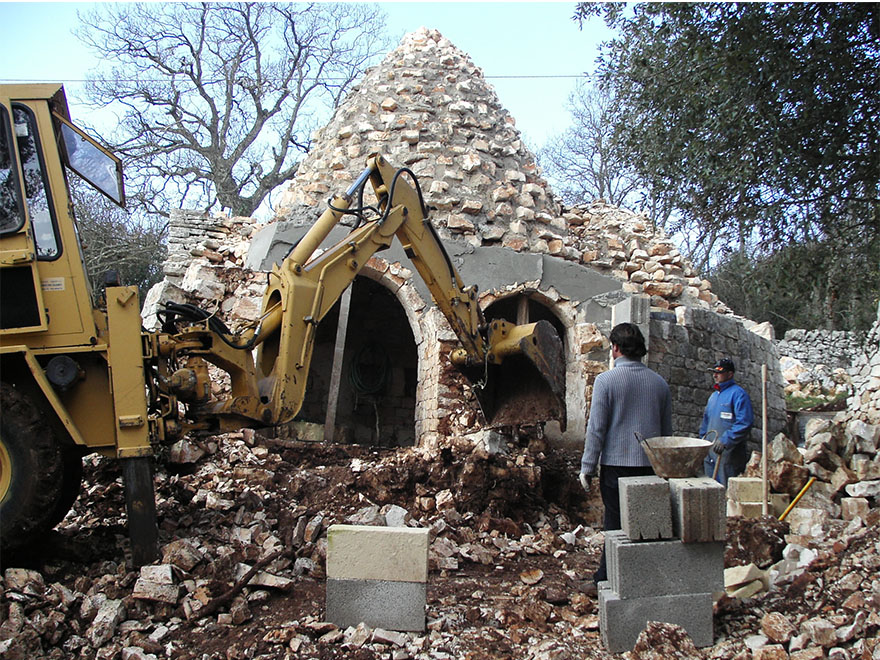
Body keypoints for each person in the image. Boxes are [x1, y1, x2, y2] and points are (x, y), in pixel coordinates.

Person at [579, 322, 673, 593]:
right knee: (646, 524)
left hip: (616, 466)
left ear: (616, 348)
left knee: (615, 525)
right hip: (651, 467)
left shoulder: (606, 381)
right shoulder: (659, 384)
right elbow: (667, 432)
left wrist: (587, 467)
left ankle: (608, 579)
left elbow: (596, 428)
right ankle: (644, 579)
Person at [701, 358, 754, 487]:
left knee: (727, 490)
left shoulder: (738, 395)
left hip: (728, 454)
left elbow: (744, 422)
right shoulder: (713, 397)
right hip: (711, 452)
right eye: (714, 372)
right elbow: (706, 422)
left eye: (719, 372)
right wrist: (702, 442)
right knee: (711, 489)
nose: (715, 375)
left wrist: (726, 440)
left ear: (730, 374)